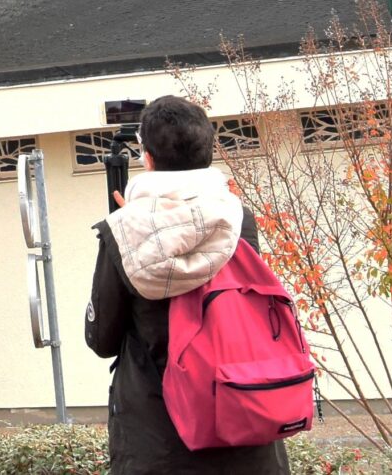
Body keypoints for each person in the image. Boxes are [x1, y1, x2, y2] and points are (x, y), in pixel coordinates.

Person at [83, 95, 287, 475]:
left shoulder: (123, 232)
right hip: (246, 427)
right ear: (209, 152)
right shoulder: (240, 220)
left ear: (148, 158)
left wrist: (129, 233)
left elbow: (102, 339)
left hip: (158, 446)